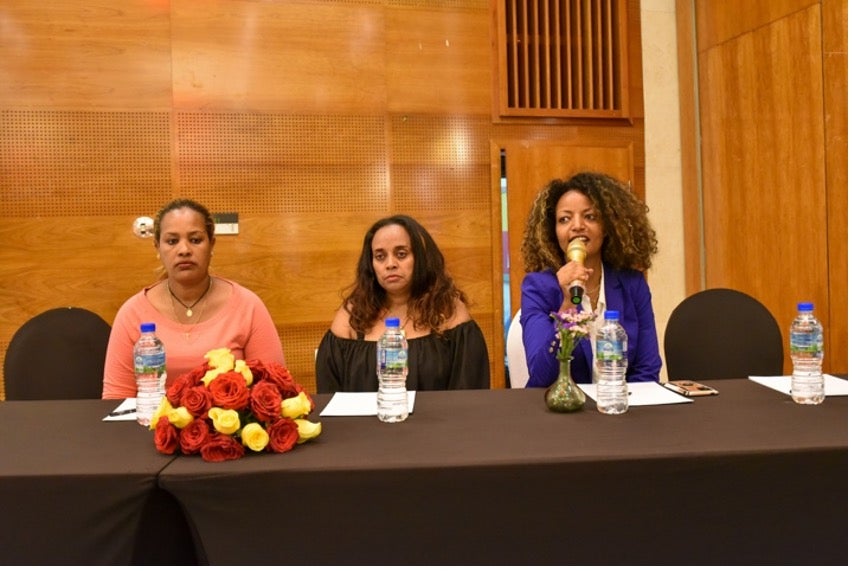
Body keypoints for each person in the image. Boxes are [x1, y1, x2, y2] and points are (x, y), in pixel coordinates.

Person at [102, 198, 285, 399]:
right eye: (172, 241)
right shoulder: (132, 313)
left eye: (195, 240)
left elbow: (273, 392)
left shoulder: (248, 306)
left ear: (211, 244)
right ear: (157, 247)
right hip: (152, 427)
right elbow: (116, 399)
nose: (184, 250)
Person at [315, 214, 490, 392]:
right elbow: (330, 397)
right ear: (371, 264)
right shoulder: (353, 315)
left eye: (401, 254)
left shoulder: (448, 310)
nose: (390, 264)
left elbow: (470, 394)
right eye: (380, 256)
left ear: (420, 259)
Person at [519, 171, 662, 387]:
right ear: (554, 232)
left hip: (619, 408)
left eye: (590, 216)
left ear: (607, 227)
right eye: (564, 219)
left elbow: (647, 370)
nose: (577, 226)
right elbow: (541, 376)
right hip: (563, 411)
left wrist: (620, 408)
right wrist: (568, 307)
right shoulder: (538, 288)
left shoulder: (632, 284)